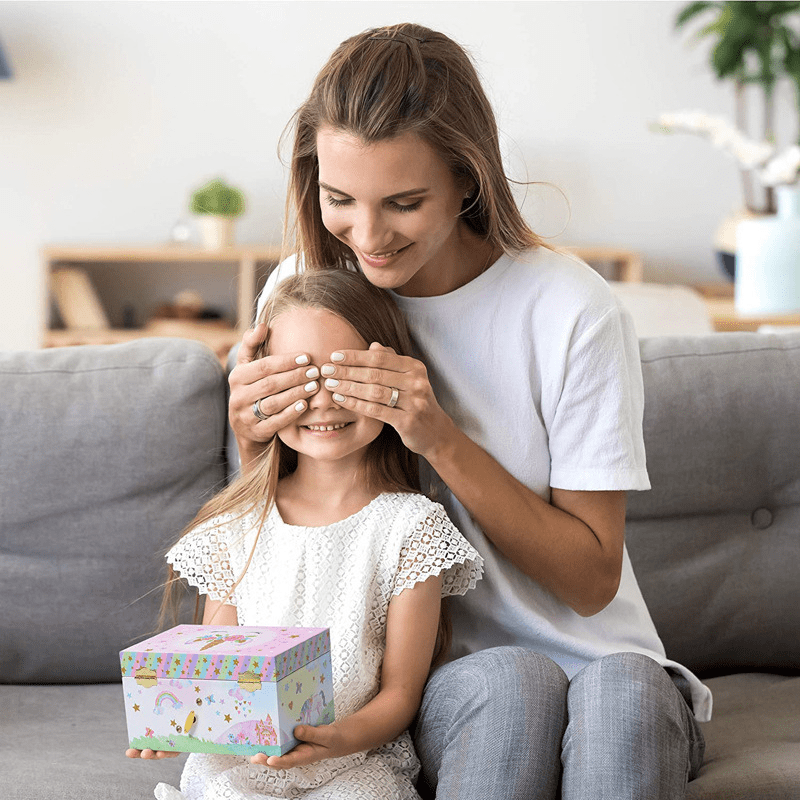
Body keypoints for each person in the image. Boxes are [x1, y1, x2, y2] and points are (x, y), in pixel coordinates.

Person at [227, 22, 711, 800]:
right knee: (511, 687)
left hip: (605, 665)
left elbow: (591, 584)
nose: (369, 237)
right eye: (340, 199)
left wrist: (439, 438)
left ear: (467, 177)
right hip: (440, 688)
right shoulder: (307, 288)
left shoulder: (568, 309)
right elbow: (273, 531)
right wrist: (251, 436)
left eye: (405, 202)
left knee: (620, 690)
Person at [127, 269, 484, 800]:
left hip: (351, 764)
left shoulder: (412, 528)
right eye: (299, 380)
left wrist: (332, 739)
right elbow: (221, 667)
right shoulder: (236, 525)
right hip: (240, 768)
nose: (322, 402)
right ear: (264, 389)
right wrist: (182, 720)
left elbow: (399, 696)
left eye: (344, 377)